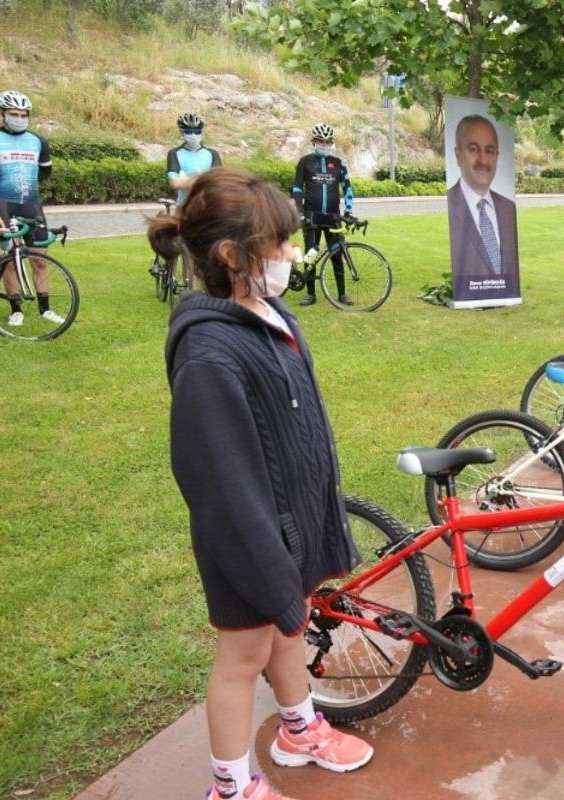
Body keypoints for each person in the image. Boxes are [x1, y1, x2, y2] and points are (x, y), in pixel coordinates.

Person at [158, 168, 374, 800]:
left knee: (288, 629)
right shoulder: (209, 356)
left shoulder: (269, 313)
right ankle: (230, 786)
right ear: (233, 256)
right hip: (247, 541)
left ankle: (299, 729)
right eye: (279, 243)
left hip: (288, 531)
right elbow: (219, 482)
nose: (291, 253)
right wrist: (269, 566)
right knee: (241, 659)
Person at [0, 89, 63, 328]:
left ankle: (45, 309)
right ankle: (16, 309)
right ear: (2, 114)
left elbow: (45, 171)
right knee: (11, 260)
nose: (19, 118)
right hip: (2, 206)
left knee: (41, 260)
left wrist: (26, 186)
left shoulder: (38, 141)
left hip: (32, 205)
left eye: (24, 114)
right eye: (14, 114)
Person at [445, 114, 519, 292]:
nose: (483, 160)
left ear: (497, 156)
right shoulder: (450, 206)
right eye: (473, 149)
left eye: (489, 151)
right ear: (458, 155)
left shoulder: (509, 208)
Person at [291, 123, 354, 306]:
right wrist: (301, 213)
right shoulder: (305, 162)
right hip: (312, 216)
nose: (324, 145)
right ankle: (310, 294)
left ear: (331, 143)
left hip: (333, 217)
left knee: (336, 255)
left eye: (328, 142)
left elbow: (348, 189)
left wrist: (348, 212)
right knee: (311, 254)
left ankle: (342, 294)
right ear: (314, 142)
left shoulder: (338, 163)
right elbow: (296, 189)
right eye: (321, 142)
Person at [166, 112, 222, 207]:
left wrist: (187, 180)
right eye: (188, 131)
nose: (193, 135)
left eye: (197, 131)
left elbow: (218, 181)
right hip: (184, 206)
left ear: (202, 132)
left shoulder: (212, 153)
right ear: (181, 132)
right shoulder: (174, 153)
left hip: (210, 206)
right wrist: (205, 179)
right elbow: (175, 183)